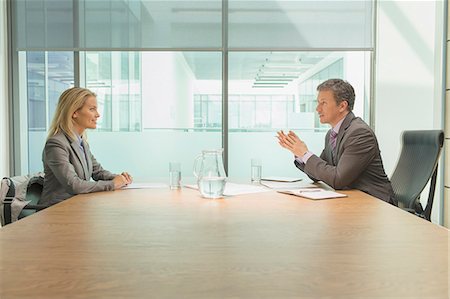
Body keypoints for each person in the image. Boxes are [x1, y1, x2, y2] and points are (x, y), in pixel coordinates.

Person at [277, 79, 396, 205]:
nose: (317, 109)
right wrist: (300, 153)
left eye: (323, 103)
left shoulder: (360, 133)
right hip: (352, 200)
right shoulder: (332, 134)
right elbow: (319, 174)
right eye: (318, 103)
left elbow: (338, 179)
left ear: (342, 106)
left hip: (376, 203)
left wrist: (305, 153)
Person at [40, 87, 132, 206]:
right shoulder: (56, 144)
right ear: (74, 112)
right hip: (56, 210)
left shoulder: (81, 142)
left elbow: (97, 172)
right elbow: (74, 185)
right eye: (92, 109)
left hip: (77, 206)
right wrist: (113, 184)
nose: (98, 115)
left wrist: (120, 178)